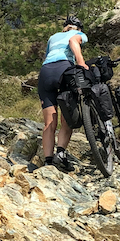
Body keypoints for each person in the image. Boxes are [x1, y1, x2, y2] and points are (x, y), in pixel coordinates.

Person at [36, 13, 89, 170]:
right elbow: (73, 42)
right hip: (64, 69)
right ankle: (60, 154)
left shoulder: (53, 37)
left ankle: (48, 162)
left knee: (49, 123)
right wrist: (81, 63)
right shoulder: (79, 34)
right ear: (78, 27)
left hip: (46, 72)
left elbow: (47, 56)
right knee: (67, 116)